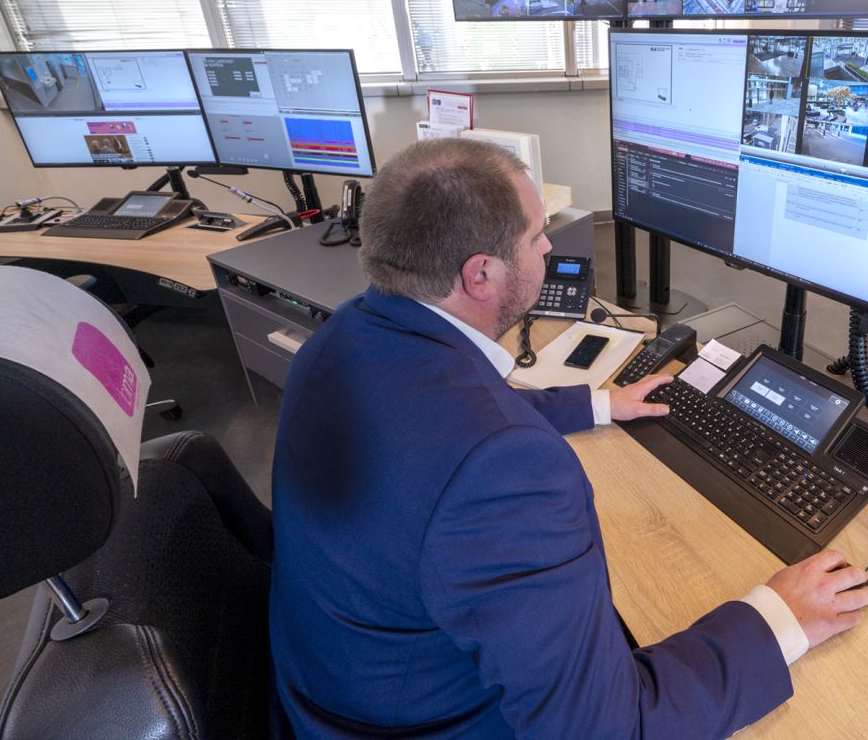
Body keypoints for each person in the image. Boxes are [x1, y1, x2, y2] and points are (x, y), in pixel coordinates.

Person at [269, 138, 868, 739]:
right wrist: (778, 618)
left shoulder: (339, 339)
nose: (550, 247)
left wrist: (600, 403)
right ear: (481, 274)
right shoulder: (503, 470)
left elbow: (434, 420)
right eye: (537, 236)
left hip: (341, 682)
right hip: (430, 722)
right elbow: (605, 729)